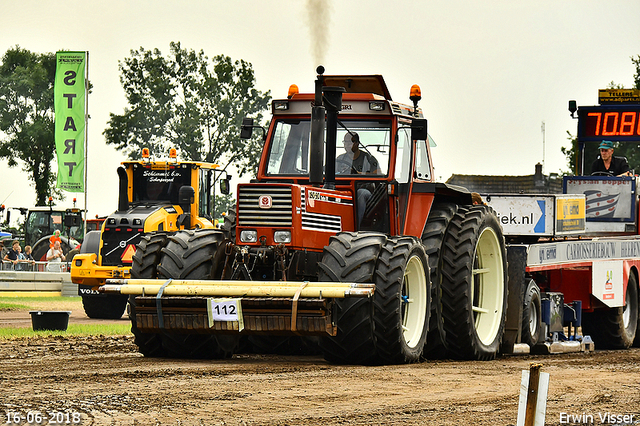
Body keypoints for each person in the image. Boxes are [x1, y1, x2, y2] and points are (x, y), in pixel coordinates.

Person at [336, 132, 381, 226]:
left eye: (349, 143)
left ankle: (355, 227)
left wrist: (358, 174)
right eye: (345, 143)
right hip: (344, 189)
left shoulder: (368, 158)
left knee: (361, 194)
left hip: (364, 190)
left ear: (357, 143)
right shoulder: (340, 159)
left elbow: (378, 174)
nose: (346, 145)